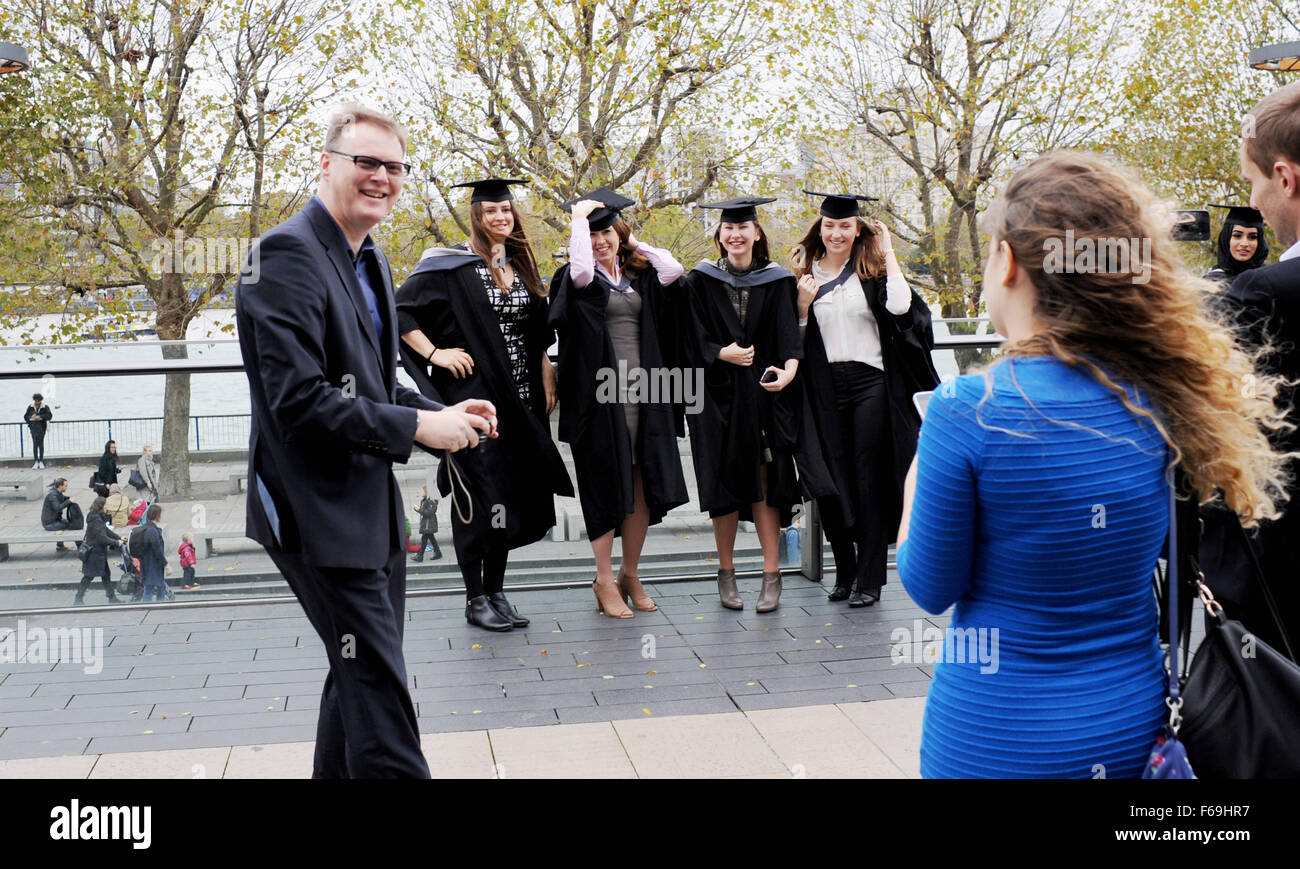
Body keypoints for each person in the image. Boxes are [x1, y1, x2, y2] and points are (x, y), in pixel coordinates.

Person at [895, 150, 1290, 778]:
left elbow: (929, 586)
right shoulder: (1163, 397)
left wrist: (916, 486)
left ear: (1008, 262)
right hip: (1131, 724)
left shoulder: (966, 408)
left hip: (996, 734)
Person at [236, 103, 496, 778]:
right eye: (366, 163)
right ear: (326, 164)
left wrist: (440, 411)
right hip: (315, 514)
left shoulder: (371, 256)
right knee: (381, 693)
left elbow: (372, 383)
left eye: (393, 166)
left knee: (356, 676)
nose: (381, 177)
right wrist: (416, 427)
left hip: (369, 512)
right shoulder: (284, 254)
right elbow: (298, 401)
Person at [395, 177, 573, 632]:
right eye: (490, 211)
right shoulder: (448, 264)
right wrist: (436, 353)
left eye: (506, 211)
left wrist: (547, 369)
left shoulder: (519, 264)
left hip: (521, 400)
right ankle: (475, 599)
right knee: (478, 493)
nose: (499, 217)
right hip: (471, 400)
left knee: (511, 495)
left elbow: (537, 331)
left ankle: (496, 592)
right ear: (476, 216)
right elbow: (399, 313)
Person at [791, 191, 939, 606]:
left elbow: (900, 306)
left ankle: (870, 579)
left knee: (869, 477)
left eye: (845, 226)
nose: (836, 233)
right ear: (820, 228)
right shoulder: (805, 275)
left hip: (871, 383)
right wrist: (802, 307)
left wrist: (888, 250)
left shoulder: (871, 273)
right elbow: (795, 343)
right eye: (830, 225)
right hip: (823, 386)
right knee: (832, 479)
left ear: (858, 230)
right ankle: (845, 571)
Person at [549, 188, 690, 618]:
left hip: (647, 395)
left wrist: (631, 243)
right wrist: (579, 221)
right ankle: (604, 579)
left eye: (606, 232)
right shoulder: (580, 280)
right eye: (592, 235)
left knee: (641, 481)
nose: (600, 240)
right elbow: (579, 273)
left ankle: (631, 572)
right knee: (604, 484)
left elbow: (674, 269)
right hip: (599, 399)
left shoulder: (641, 275)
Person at [1200, 81, 1300, 658]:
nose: (1256, 202)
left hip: (1277, 592)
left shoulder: (1263, 297)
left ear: (1284, 178)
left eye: (1255, 182)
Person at [681, 197, 801, 613]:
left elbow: (789, 336)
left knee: (765, 483)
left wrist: (788, 371)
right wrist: (719, 353)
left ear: (756, 233)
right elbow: (687, 337)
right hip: (715, 398)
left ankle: (772, 575)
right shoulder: (699, 280)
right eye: (728, 229)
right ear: (720, 235)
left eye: (743, 228)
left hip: (763, 396)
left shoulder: (778, 279)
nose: (735, 235)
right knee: (724, 485)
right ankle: (726, 573)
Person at [1203, 204, 1269, 288]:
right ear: (1226, 239)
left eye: (1253, 237)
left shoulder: (1269, 281)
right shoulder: (1211, 284)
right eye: (1237, 236)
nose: (1244, 243)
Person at [75, 495, 124, 605]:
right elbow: (102, 537)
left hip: (98, 553)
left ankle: (111, 597)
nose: (107, 507)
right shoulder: (95, 519)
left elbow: (106, 530)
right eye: (106, 505)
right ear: (101, 506)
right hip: (94, 554)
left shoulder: (97, 517)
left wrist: (119, 537)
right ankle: (78, 599)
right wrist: (116, 543)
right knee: (88, 576)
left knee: (105, 575)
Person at [133, 504, 168, 603]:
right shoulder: (152, 531)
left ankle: (153, 605)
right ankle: (154, 606)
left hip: (147, 563)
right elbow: (157, 550)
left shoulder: (146, 528)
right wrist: (165, 563)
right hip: (153, 564)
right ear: (157, 515)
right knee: (154, 588)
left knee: (153, 587)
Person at [42, 477, 75, 551]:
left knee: (72, 523)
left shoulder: (58, 493)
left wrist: (69, 498)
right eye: (65, 486)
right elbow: (58, 508)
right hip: (49, 523)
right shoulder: (52, 495)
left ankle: (60, 546)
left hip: (56, 520)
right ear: (60, 486)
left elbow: (63, 498)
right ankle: (61, 546)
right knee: (70, 526)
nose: (67, 487)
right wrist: (68, 501)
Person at [411, 486, 441, 562]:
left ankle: (420, 556)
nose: (422, 492)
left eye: (423, 491)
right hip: (426, 524)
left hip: (429, 524)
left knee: (424, 539)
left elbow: (429, 513)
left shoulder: (431, 501)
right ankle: (438, 553)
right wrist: (417, 509)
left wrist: (419, 509)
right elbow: (424, 512)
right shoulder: (424, 500)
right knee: (431, 538)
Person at [24, 393, 52, 469]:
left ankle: (41, 461)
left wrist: (40, 416)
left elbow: (49, 416)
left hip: (42, 428)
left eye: (38, 401)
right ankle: (36, 461)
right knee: (35, 444)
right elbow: (25, 417)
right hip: (33, 428)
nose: (37, 402)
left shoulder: (45, 407)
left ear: (41, 400)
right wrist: (31, 417)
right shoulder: (30, 407)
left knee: (41, 444)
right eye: (36, 401)